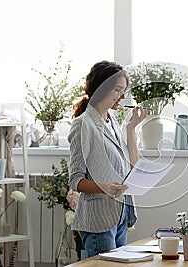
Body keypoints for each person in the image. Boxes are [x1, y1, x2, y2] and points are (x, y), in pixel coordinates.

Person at [68, 60, 147, 257]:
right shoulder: (83, 125)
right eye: (117, 90)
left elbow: (132, 167)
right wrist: (105, 187)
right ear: (101, 89)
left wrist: (131, 129)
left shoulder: (112, 123)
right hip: (98, 219)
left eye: (124, 90)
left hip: (120, 214)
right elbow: (75, 181)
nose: (121, 96)